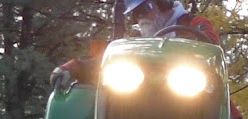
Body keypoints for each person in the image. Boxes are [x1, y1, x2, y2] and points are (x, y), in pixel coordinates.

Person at [50, 1, 222, 93]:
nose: (140, 17)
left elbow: (210, 47)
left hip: (193, 100)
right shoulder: (135, 39)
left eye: (145, 8)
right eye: (135, 13)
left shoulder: (195, 25)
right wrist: (74, 67)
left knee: (215, 105)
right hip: (138, 102)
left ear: (164, 3)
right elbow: (109, 60)